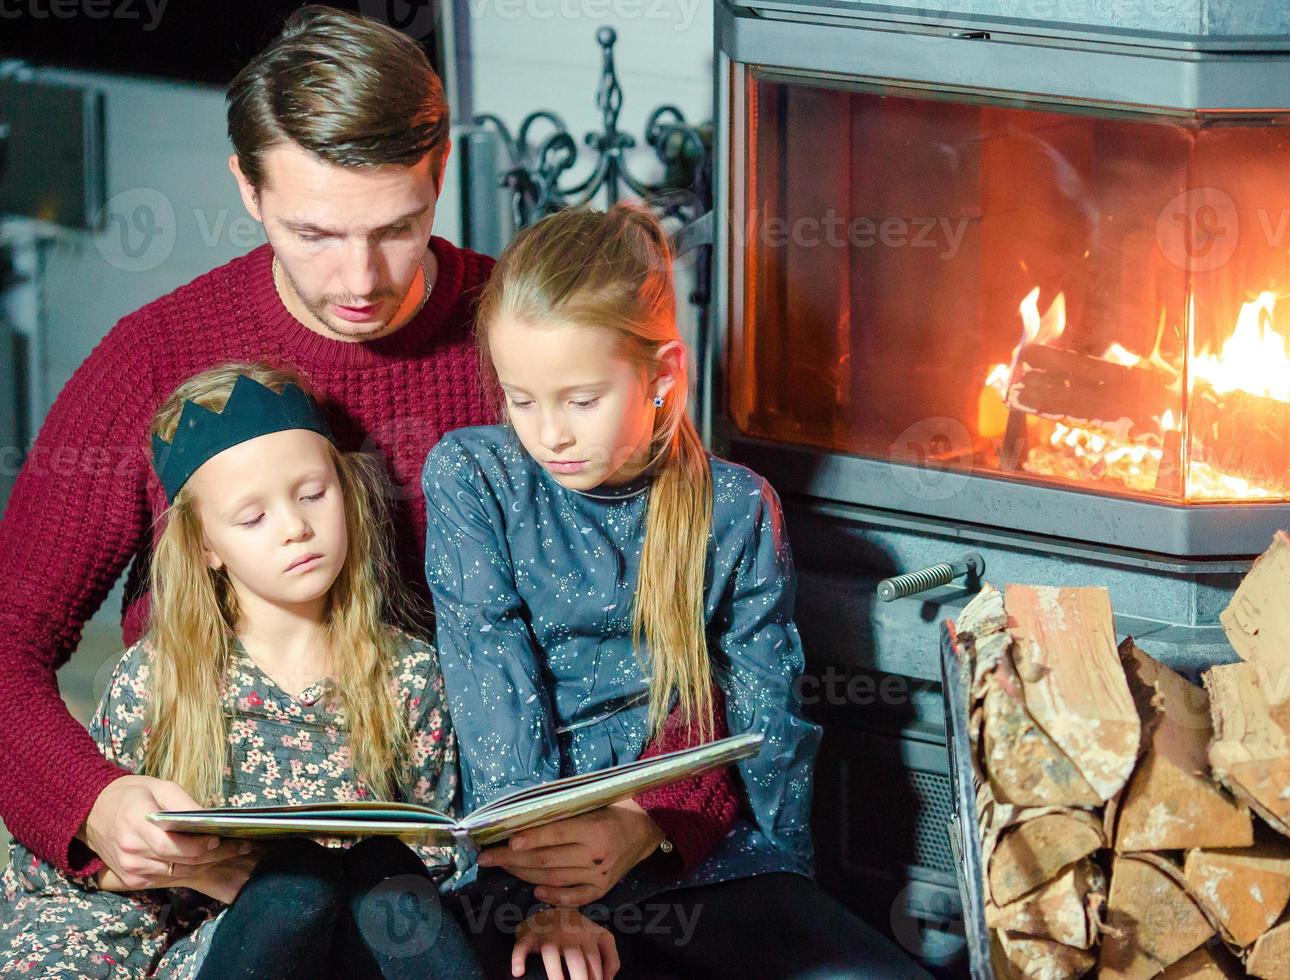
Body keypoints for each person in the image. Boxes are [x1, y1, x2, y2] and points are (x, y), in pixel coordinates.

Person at [0, 5, 724, 917]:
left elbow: (691, 603)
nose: (361, 280)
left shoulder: (538, 342)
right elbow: (8, 637)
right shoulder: (155, 359)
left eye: (397, 226)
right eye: (314, 235)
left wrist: (653, 817)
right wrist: (91, 801)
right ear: (249, 190)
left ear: (440, 172)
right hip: (222, 855)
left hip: (483, 850)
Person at [423, 205, 931, 979]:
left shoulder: (736, 506)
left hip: (698, 854)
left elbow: (762, 715)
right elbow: (491, 686)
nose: (548, 433)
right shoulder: (474, 477)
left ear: (663, 376)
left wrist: (645, 826)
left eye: (581, 399)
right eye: (520, 400)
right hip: (526, 865)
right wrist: (543, 889)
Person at [0, 364, 484, 978]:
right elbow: (85, 877)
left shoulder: (410, 674)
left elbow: (439, 853)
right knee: (293, 893)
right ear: (206, 547)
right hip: (225, 945)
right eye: (252, 519)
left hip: (369, 938)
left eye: (313, 494)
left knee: (389, 887)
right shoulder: (157, 680)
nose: (295, 528)